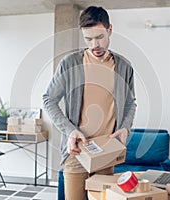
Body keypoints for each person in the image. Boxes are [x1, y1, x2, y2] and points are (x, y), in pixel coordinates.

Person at [43, 6, 136, 200]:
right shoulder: (69, 64)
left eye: (100, 37)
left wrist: (125, 128)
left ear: (110, 30)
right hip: (76, 151)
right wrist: (70, 130)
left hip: (107, 153)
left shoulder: (124, 67)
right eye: (88, 39)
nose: (95, 45)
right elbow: (49, 99)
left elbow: (130, 103)